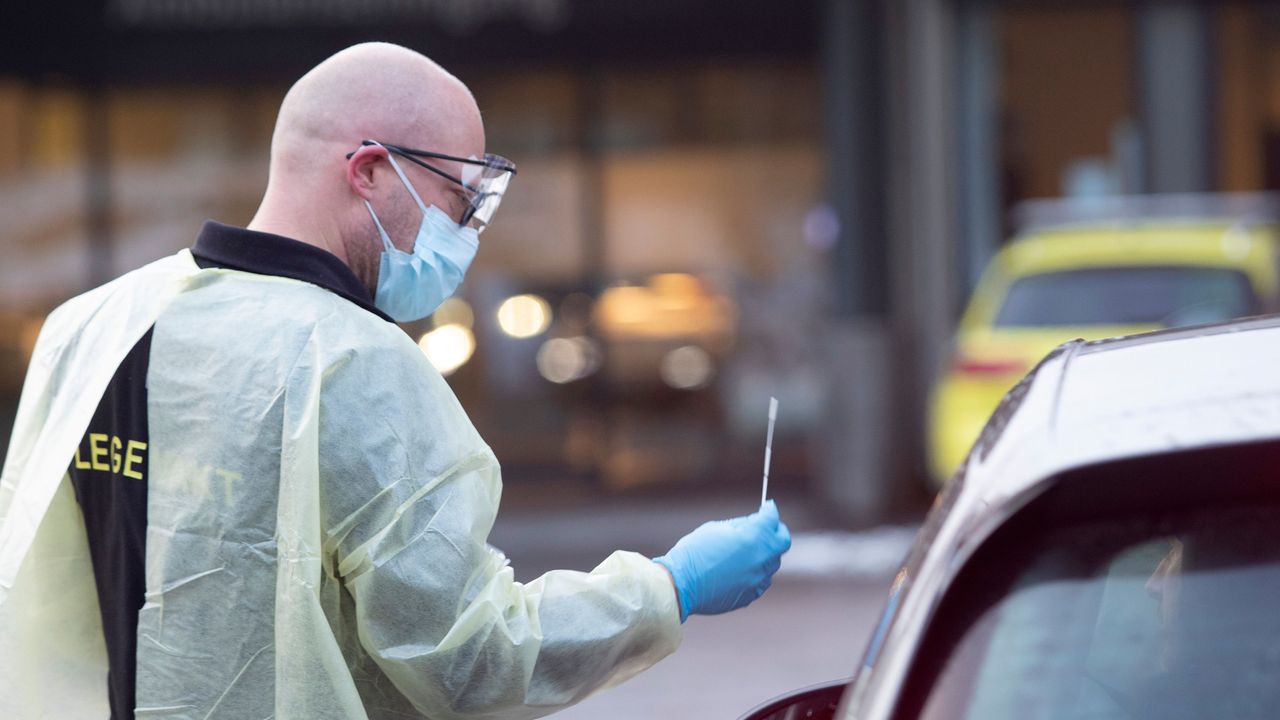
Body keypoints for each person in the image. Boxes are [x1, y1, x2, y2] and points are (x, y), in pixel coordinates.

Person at [0, 42, 791, 719]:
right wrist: (670, 586)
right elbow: (474, 658)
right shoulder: (354, 364)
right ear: (372, 171)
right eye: (459, 198)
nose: (467, 232)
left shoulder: (90, 324)